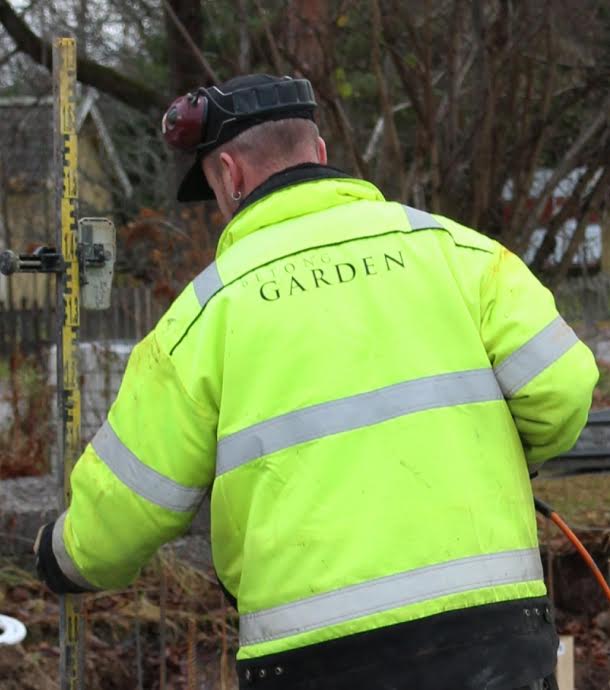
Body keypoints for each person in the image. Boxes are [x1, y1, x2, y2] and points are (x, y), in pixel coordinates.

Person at [35, 74, 598, 690]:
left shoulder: (203, 315)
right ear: (321, 154)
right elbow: (563, 387)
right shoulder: (458, 254)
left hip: (313, 662)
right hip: (494, 640)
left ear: (230, 175)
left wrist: (62, 558)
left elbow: (129, 502)